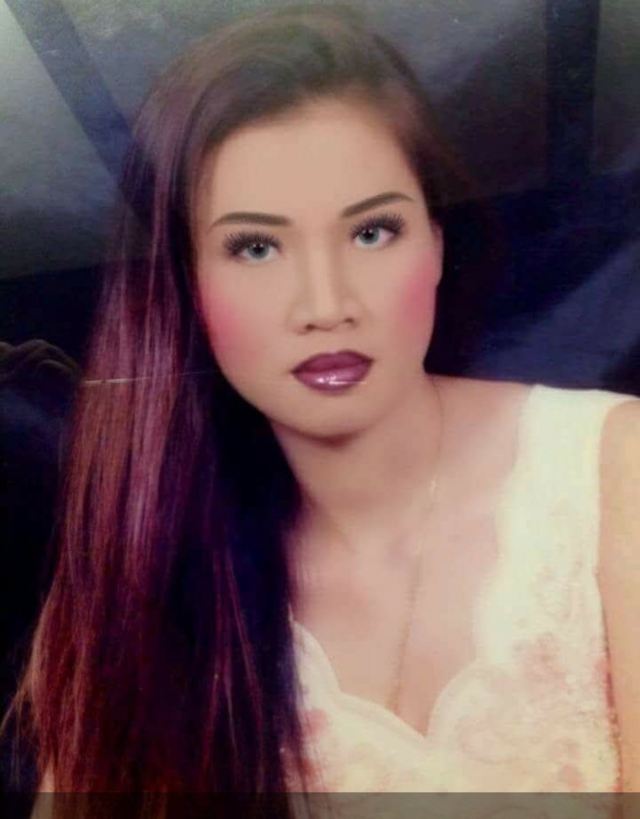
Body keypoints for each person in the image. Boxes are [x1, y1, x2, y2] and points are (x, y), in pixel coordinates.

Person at [4, 2, 640, 815]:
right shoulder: (129, 572)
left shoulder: (612, 472)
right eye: (255, 246)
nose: (326, 304)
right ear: (187, 285)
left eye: (372, 231)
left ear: (436, 243)